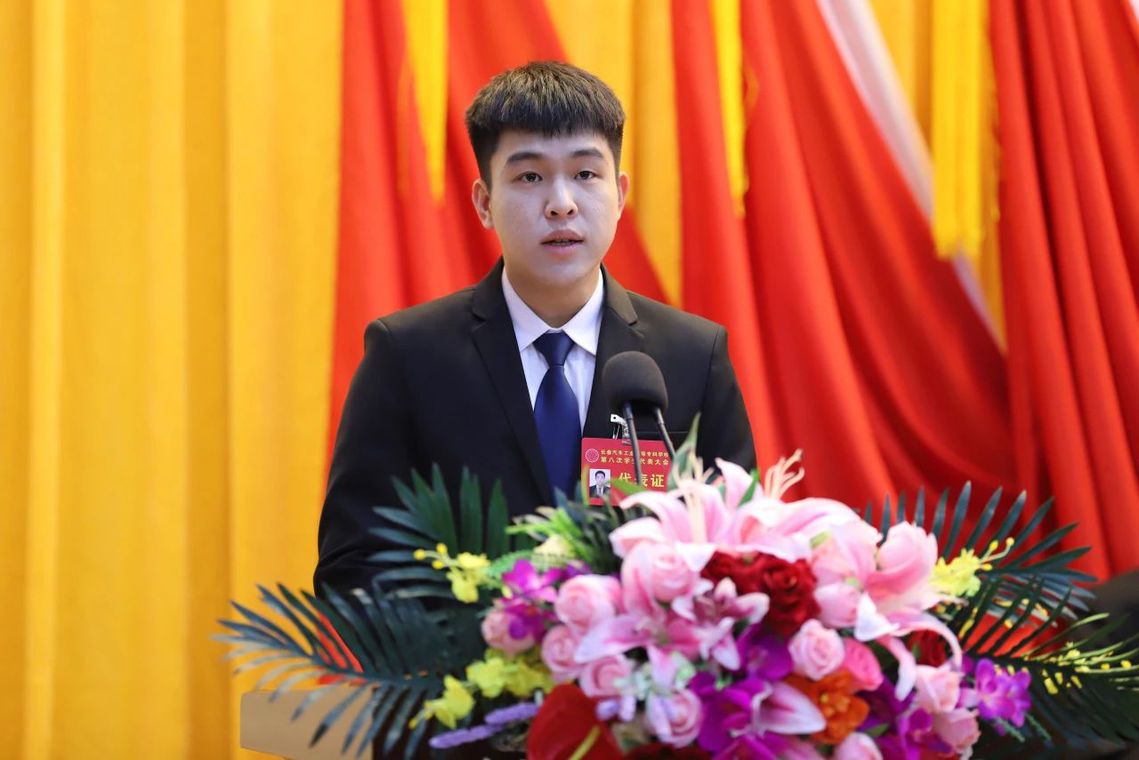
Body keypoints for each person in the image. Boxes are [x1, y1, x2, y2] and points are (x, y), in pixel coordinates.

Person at [315, 61, 755, 596]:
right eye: (529, 177)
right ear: (484, 203)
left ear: (619, 194)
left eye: (585, 175)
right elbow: (354, 565)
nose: (561, 204)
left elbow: (739, 550)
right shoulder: (408, 356)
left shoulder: (692, 356)